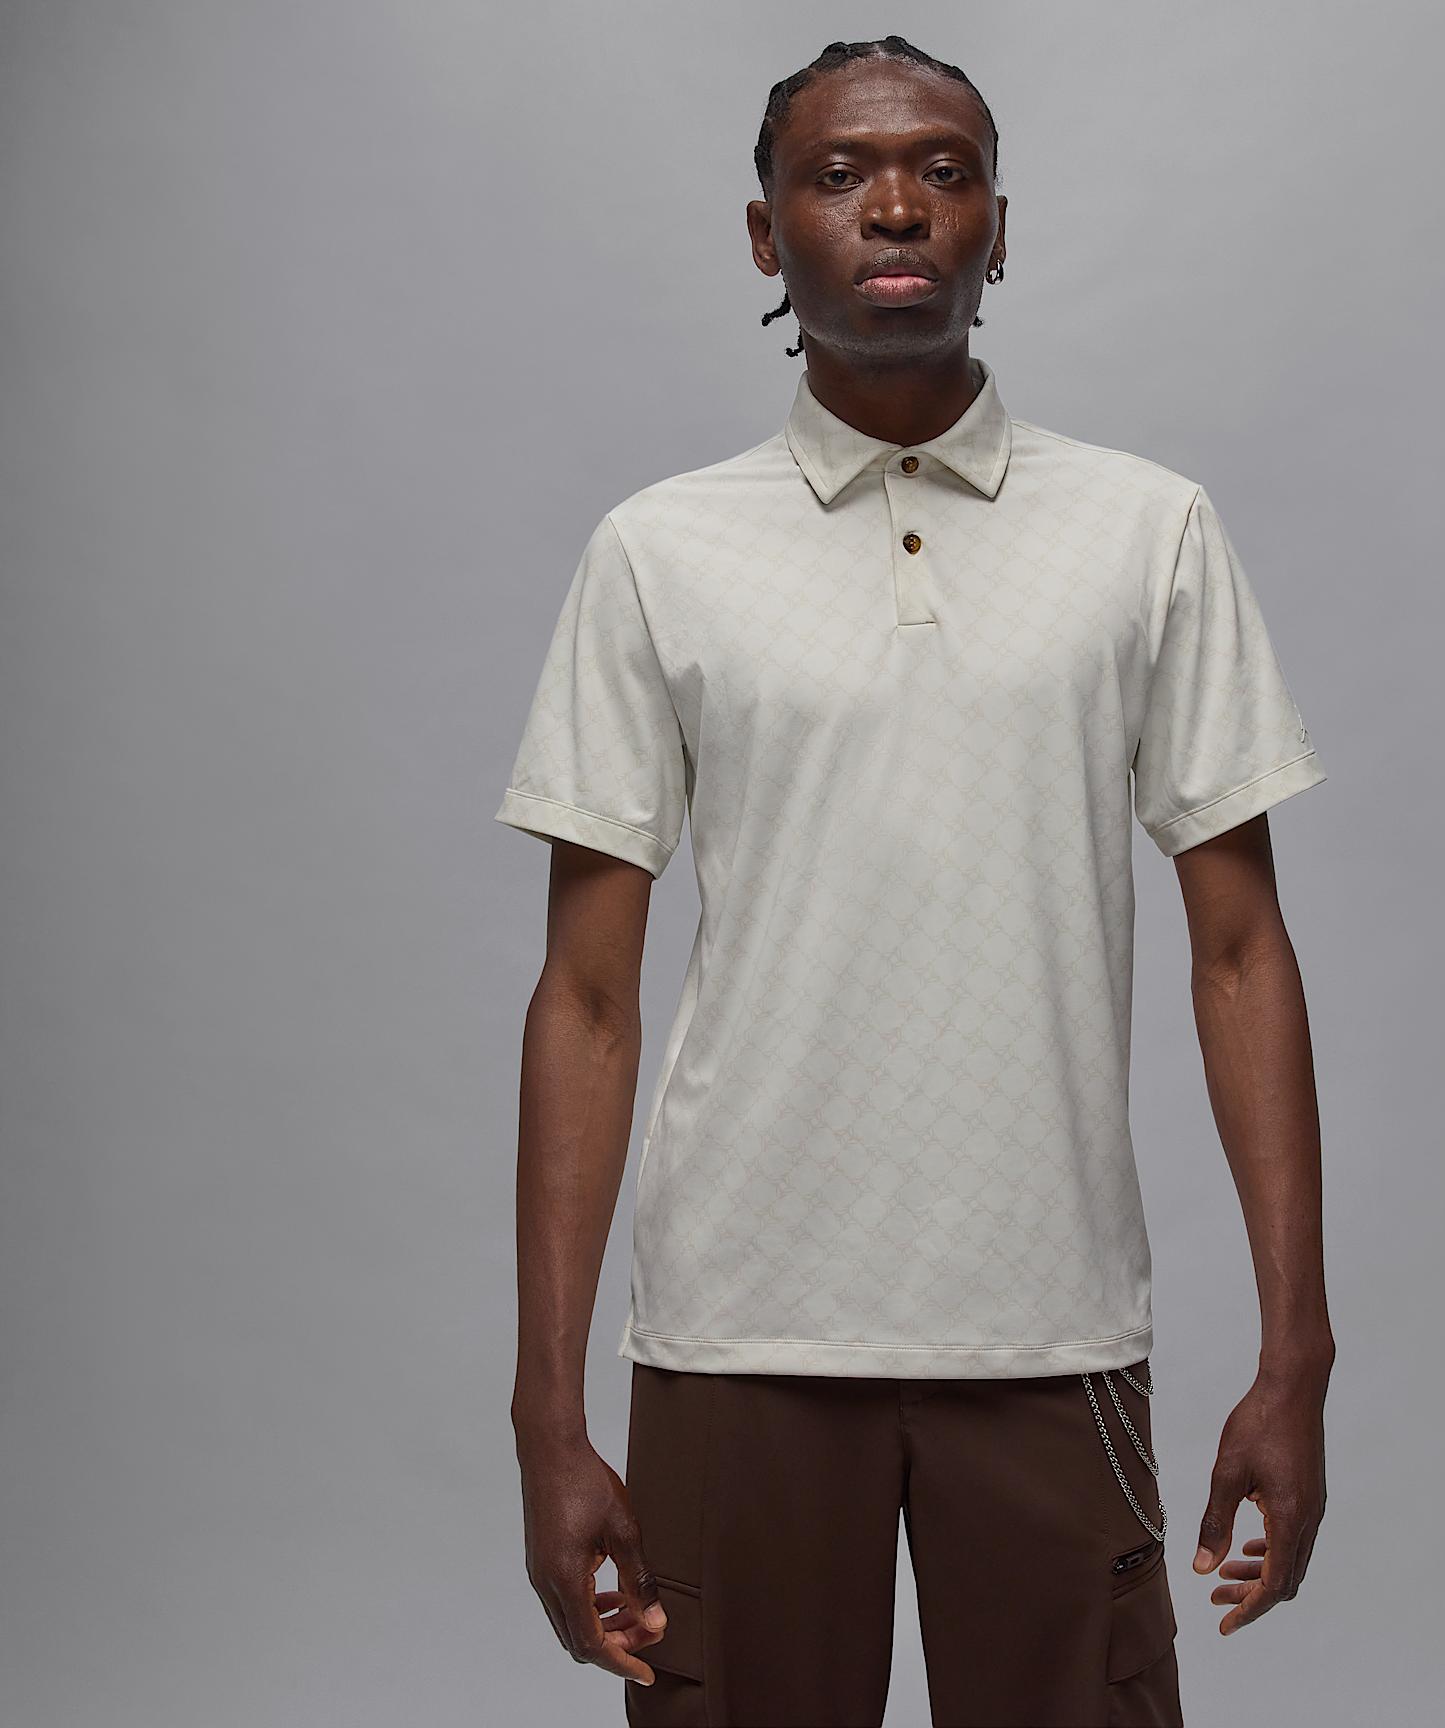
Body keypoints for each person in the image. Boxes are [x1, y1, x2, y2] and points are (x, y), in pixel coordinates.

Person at [494, 34, 1333, 1728]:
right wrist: (547, 1413)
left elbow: (1241, 951)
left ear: (998, 226)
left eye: (945, 171)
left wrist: (1296, 1353)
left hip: (1054, 1337)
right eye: (839, 173)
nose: (896, 205)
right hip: (736, 1337)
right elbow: (585, 998)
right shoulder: (659, 551)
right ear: (767, 233)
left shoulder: (1148, 531)